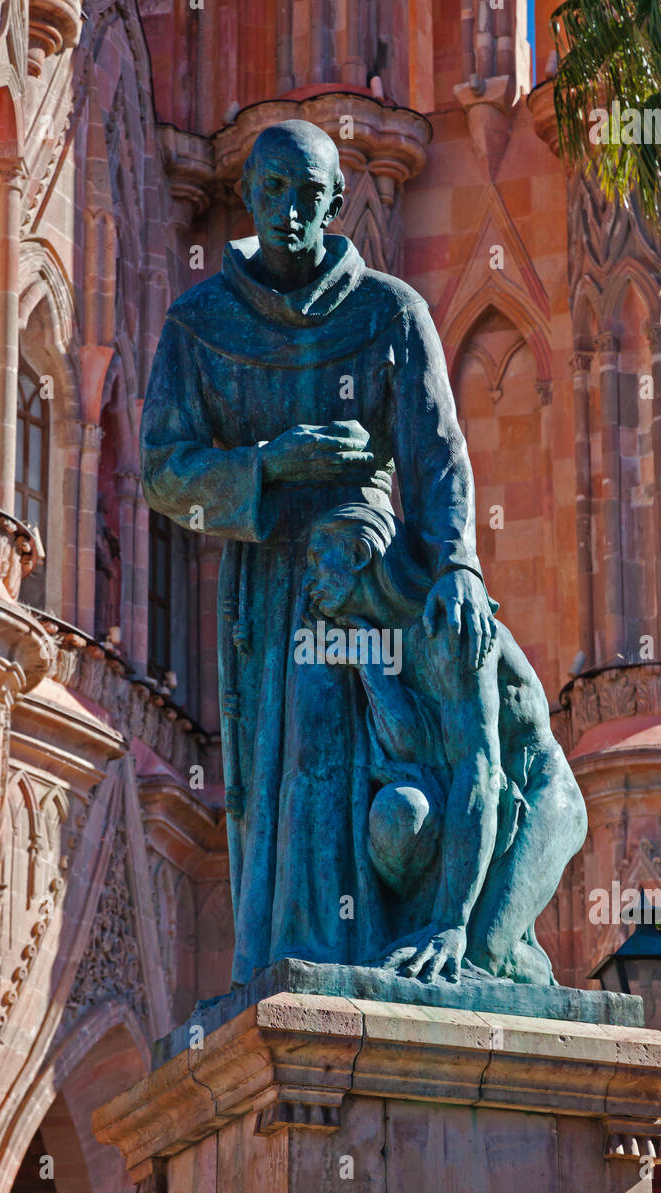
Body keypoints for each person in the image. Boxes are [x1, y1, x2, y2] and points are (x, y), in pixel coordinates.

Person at [140, 119, 495, 985]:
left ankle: (364, 957)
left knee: (352, 763)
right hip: (265, 585)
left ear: (338, 203)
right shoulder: (200, 324)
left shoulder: (390, 314)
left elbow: (438, 457)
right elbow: (162, 473)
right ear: (248, 197)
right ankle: (284, 966)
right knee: (281, 779)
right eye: (272, 192)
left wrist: (455, 565)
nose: (290, 212)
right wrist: (268, 465)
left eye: (309, 194)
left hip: (366, 569)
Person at [303, 502, 588, 985]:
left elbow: (480, 773)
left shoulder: (450, 626)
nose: (308, 580)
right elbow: (415, 748)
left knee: (482, 956)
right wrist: (374, 672)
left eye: (316, 559)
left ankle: (534, 979)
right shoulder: (377, 640)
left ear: (356, 553)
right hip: (456, 795)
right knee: (398, 821)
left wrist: (452, 923)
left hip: (536, 791)